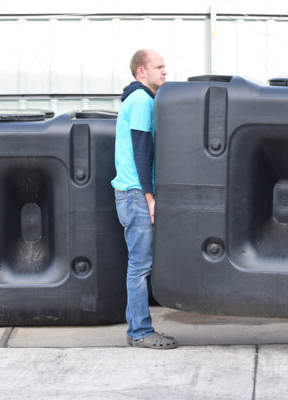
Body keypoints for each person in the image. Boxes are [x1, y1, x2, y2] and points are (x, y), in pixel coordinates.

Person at [111, 49, 177, 349]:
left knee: (137, 265)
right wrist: (150, 197)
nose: (164, 72)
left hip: (133, 193)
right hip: (136, 194)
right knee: (140, 266)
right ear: (141, 71)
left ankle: (135, 328)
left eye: (165, 67)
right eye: (158, 67)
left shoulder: (142, 99)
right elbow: (142, 151)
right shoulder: (140, 101)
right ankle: (140, 332)